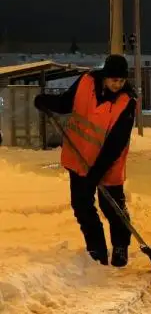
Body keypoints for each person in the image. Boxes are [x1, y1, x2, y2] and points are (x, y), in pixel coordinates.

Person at [34, 54, 136, 267]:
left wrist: (96, 173)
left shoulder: (127, 102)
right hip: (79, 157)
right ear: (105, 76)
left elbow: (115, 144)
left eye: (121, 80)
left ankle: (120, 246)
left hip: (108, 164)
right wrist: (44, 101)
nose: (117, 85)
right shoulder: (85, 82)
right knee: (82, 206)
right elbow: (65, 103)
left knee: (112, 208)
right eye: (114, 80)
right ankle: (96, 249)